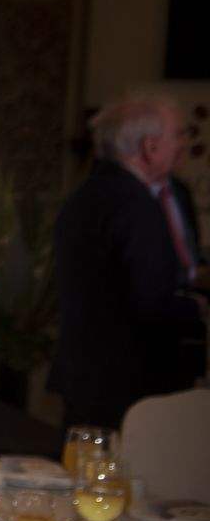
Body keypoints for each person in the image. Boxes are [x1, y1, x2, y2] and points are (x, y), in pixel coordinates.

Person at [49, 96, 208, 429]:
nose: (184, 143)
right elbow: (149, 300)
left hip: (88, 374)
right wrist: (200, 310)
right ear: (149, 147)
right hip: (130, 380)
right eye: (178, 134)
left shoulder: (85, 195)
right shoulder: (137, 204)